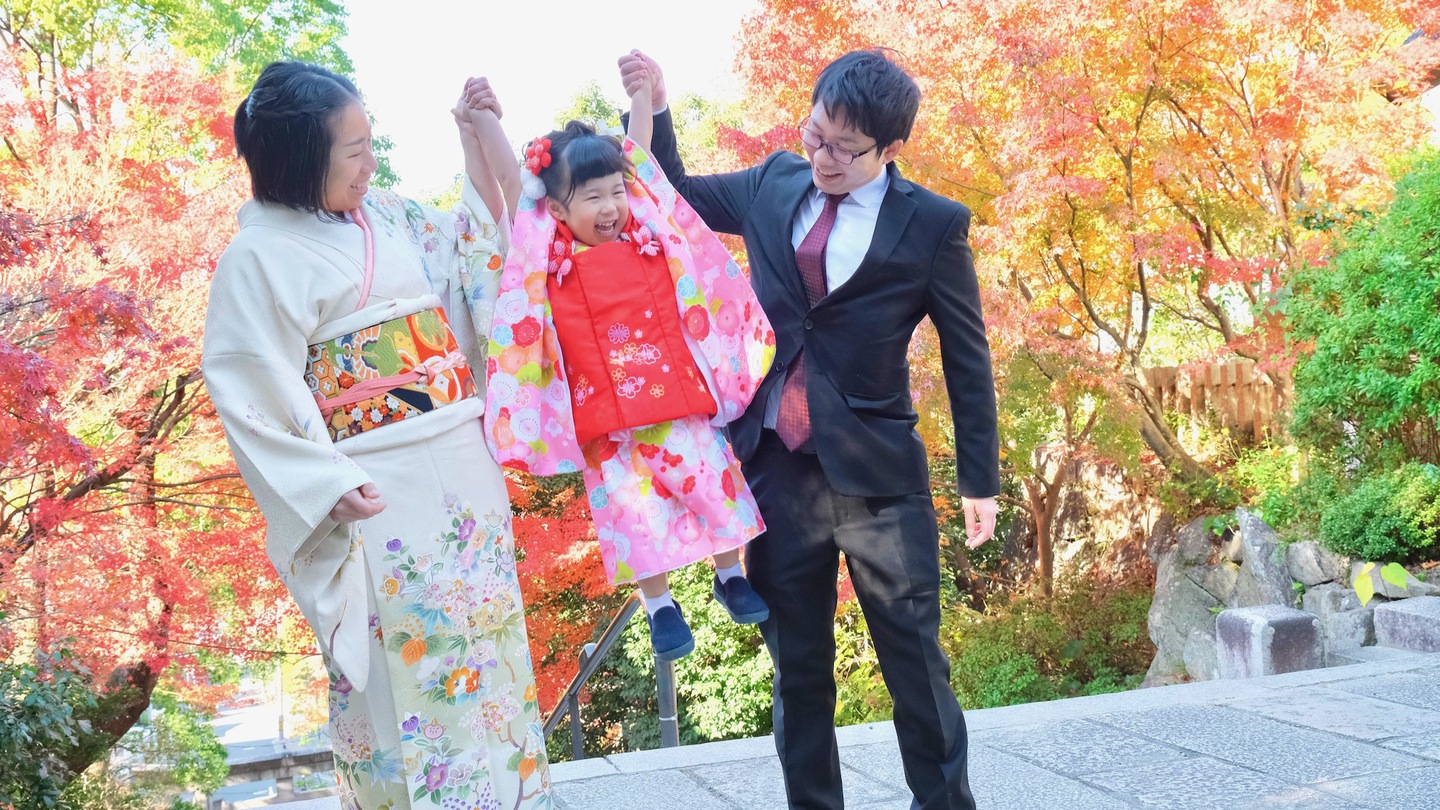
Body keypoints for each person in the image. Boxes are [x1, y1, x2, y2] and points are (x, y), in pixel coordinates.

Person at [619, 48, 1001, 809]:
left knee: (916, 669)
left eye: (844, 149)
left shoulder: (931, 224)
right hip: (773, 474)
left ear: (890, 150)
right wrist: (657, 108)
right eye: (815, 135)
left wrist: (977, 481)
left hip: (880, 482)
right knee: (797, 674)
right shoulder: (774, 181)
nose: (823, 157)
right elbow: (679, 197)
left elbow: (968, 358)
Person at [202, 62, 552, 809]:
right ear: (302, 158)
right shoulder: (256, 259)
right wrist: (322, 482)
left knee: (488, 641)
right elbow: (249, 386)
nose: (371, 162)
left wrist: (471, 143)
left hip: (462, 463)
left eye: (370, 143)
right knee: (406, 662)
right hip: (373, 489)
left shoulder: (387, 217)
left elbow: (475, 257)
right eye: (354, 149)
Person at [472, 70, 776, 661]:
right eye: (593, 197)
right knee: (630, 511)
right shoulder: (546, 254)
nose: (611, 206)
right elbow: (515, 185)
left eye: (616, 191)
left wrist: (641, 98)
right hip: (606, 416)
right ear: (557, 207)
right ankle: (660, 604)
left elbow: (639, 160)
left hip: (674, 394)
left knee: (711, 478)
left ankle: (729, 571)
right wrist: (486, 121)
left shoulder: (645, 233)